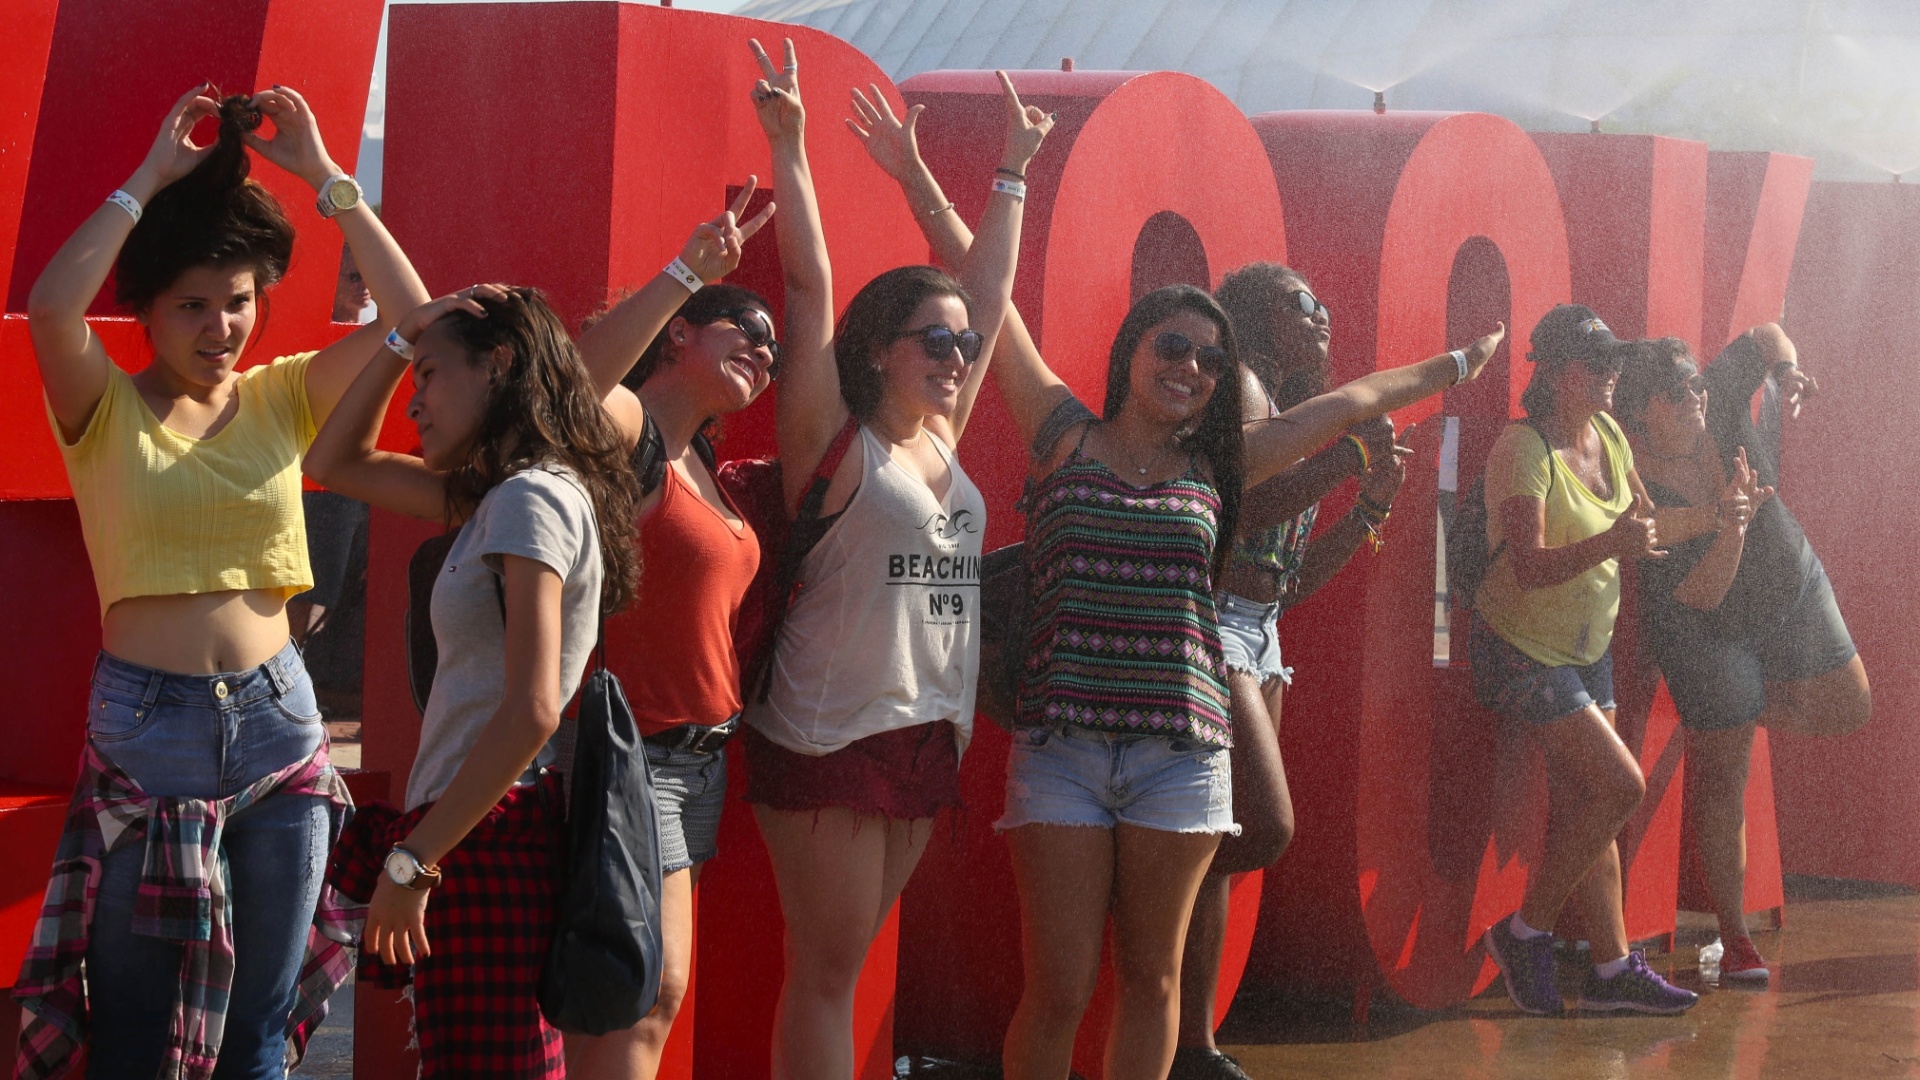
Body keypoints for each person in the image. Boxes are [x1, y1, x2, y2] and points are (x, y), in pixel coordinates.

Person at [15, 83, 427, 1078]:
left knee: (259, 1029)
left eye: (238, 302)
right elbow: (52, 306)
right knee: (131, 1032)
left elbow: (420, 319)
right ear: (148, 311)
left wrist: (328, 177)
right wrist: (148, 180)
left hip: (281, 723)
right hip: (147, 733)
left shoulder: (285, 395)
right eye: (193, 305)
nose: (220, 325)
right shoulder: (101, 410)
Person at [744, 40, 1044, 1079]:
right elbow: (806, 281)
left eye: (964, 348)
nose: (958, 357)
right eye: (935, 340)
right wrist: (790, 146)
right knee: (825, 975)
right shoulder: (835, 442)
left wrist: (1013, 171)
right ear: (880, 347)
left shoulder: (937, 444)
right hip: (829, 730)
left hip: (926, 728)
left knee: (845, 962)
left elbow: (991, 295)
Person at [305, 284, 641, 1077]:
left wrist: (412, 862)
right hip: (477, 828)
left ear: (498, 367)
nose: (413, 403)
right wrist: (400, 340)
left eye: (428, 376)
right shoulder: (496, 497)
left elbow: (530, 711)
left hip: (483, 835)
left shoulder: (528, 499)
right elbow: (332, 461)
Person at [1167, 263, 1409, 1080]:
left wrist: (1368, 509)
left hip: (1263, 632)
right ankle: (1139, 897)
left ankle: (1193, 1045)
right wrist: (1343, 456)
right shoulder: (1235, 385)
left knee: (1222, 839)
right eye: (1305, 303)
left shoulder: (1291, 411)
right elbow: (1237, 505)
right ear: (1257, 313)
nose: (1324, 317)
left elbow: (1289, 581)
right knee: (1262, 828)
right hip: (1209, 625)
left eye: (1327, 303)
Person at [563, 189, 777, 1077]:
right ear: (682, 333)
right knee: (639, 988)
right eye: (744, 329)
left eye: (772, 349)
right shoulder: (632, 430)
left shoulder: (705, 466)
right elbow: (572, 391)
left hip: (699, 761)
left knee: (650, 995)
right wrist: (689, 268)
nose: (763, 352)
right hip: (629, 751)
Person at [1613, 326, 1870, 983]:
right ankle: (1735, 941)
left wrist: (1786, 371)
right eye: (1676, 392)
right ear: (1642, 409)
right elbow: (1699, 594)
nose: (1695, 396)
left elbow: (1763, 333)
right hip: (1705, 629)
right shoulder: (1638, 484)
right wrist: (1726, 523)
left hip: (1789, 580)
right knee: (1724, 775)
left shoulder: (1720, 398)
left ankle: (1730, 718)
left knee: (1851, 705)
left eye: (1695, 382)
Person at [1473, 304, 1697, 1016]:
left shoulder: (1609, 434)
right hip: (1520, 648)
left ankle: (1609, 971)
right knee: (1619, 789)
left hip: (1586, 648)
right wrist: (1611, 546)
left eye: (1617, 365)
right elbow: (1531, 566)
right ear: (1564, 373)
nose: (1614, 377)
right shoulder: (1523, 450)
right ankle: (1525, 931)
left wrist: (1727, 514)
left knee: (1591, 803)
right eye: (1601, 366)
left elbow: (1644, 524)